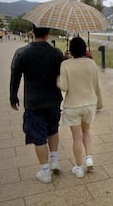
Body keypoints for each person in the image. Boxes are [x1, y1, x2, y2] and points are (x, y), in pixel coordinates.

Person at [10, 26, 65, 183]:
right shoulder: (56, 53)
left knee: (38, 136)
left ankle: (45, 171)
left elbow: (15, 75)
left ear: (33, 33)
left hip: (33, 102)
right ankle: (54, 160)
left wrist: (13, 97)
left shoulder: (22, 52)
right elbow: (63, 72)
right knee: (53, 129)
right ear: (48, 35)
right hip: (54, 99)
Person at [57, 36, 103, 178]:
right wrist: (100, 103)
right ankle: (89, 158)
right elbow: (96, 86)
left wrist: (57, 79)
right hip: (90, 104)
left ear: (71, 50)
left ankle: (78, 168)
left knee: (77, 137)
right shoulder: (91, 64)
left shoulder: (65, 65)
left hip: (73, 106)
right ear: (84, 49)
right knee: (87, 132)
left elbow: (64, 87)